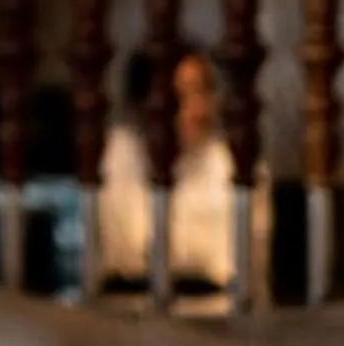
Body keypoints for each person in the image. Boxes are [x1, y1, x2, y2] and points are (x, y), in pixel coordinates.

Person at [98, 47, 269, 300]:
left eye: (205, 92)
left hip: (217, 314)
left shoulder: (235, 165)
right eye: (181, 96)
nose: (199, 109)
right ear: (143, 103)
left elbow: (225, 264)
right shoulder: (116, 155)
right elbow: (125, 254)